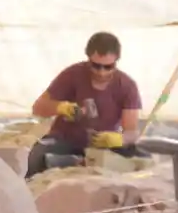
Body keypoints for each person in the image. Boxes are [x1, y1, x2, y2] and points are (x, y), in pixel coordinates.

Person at [26, 32, 146, 178]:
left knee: (144, 159)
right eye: (96, 66)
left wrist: (119, 139)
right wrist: (60, 107)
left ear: (117, 61)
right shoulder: (72, 74)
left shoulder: (127, 85)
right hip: (66, 141)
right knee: (36, 156)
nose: (102, 72)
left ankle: (75, 162)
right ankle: (73, 162)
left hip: (103, 146)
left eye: (108, 67)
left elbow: (132, 132)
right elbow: (38, 107)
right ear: (88, 58)